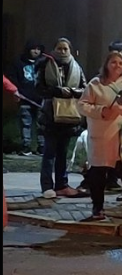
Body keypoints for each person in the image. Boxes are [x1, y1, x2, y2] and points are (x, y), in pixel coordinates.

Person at [78, 51, 122, 222]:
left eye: (121, 63)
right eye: (113, 62)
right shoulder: (95, 84)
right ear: (106, 64)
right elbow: (82, 105)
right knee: (98, 172)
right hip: (102, 134)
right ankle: (98, 209)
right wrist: (102, 111)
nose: (117, 66)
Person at [36, 38, 87, 199]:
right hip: (51, 116)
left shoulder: (76, 67)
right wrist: (57, 91)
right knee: (49, 153)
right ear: (54, 49)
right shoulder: (46, 65)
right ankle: (47, 186)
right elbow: (39, 88)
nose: (62, 51)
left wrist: (73, 91)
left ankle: (61, 184)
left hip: (69, 116)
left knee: (62, 153)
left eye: (65, 49)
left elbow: (84, 89)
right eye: (59, 48)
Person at [5, 41, 44, 155]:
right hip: (25, 98)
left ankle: (41, 146)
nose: (36, 51)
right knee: (25, 123)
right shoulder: (18, 63)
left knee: (41, 124)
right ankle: (26, 145)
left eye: (38, 49)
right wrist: (17, 91)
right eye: (33, 49)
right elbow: (13, 78)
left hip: (40, 99)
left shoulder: (44, 63)